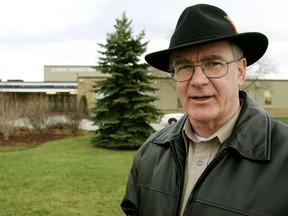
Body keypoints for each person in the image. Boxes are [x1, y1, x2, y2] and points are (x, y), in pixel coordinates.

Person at [121, 4, 288, 216]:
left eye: (214, 63)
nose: (198, 80)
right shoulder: (150, 153)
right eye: (183, 67)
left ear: (240, 72)